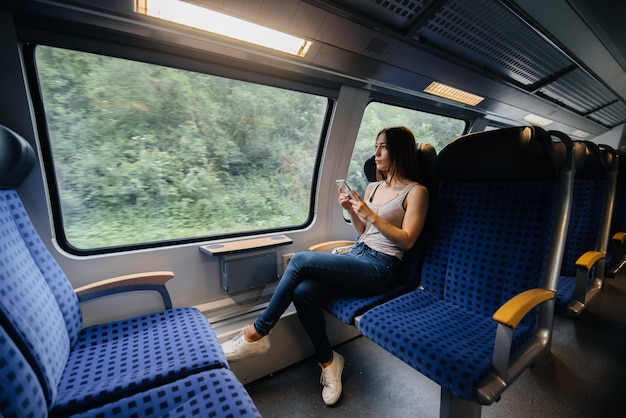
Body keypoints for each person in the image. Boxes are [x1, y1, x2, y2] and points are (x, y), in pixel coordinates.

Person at [221, 126, 429, 406]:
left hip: (383, 268)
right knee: (303, 291)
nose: (376, 153)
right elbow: (363, 231)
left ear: (400, 151)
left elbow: (407, 241)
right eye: (376, 145)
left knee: (301, 260)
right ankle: (329, 361)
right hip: (359, 254)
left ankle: (257, 333)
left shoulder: (417, 192)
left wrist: (370, 214)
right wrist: (352, 212)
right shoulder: (373, 187)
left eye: (383, 147)